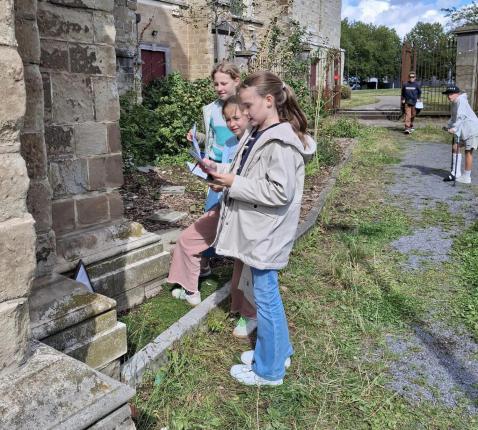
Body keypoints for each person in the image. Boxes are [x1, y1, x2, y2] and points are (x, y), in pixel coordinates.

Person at [204, 71, 317, 386]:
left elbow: (279, 191)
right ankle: (279, 352)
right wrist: (222, 171)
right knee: (267, 295)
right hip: (259, 230)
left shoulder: (280, 140)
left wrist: (233, 183)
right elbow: (246, 170)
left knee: (265, 297)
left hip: (266, 233)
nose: (244, 111)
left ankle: (269, 371)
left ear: (269, 101)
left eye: (249, 104)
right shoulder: (259, 131)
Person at [168, 96, 257, 338]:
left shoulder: (261, 141)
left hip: (247, 213)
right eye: (227, 119)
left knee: (244, 264)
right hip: (228, 203)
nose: (231, 123)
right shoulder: (241, 141)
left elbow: (266, 187)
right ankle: (190, 289)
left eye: (235, 118)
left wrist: (227, 182)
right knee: (188, 239)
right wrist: (214, 171)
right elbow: (236, 171)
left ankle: (249, 315)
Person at [443, 85, 478, 184]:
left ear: (457, 94)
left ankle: (467, 177)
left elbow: (461, 116)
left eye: (451, 94)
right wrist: (449, 125)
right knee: (455, 147)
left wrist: (454, 128)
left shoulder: (461, 100)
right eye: (448, 94)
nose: (449, 96)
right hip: (463, 129)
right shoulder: (454, 102)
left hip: (471, 129)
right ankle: (456, 172)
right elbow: (454, 117)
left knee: (468, 151)